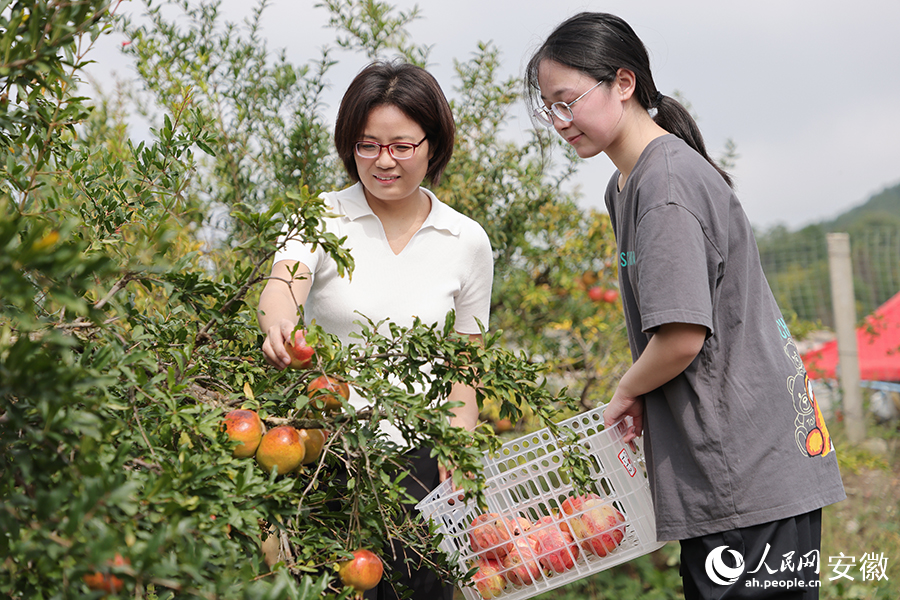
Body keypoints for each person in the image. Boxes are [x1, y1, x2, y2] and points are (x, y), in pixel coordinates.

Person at [526, 13, 845, 600]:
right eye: (550, 107)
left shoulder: (665, 184)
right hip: (734, 468)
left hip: (746, 471)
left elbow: (680, 337)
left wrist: (626, 391)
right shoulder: (627, 183)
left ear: (624, 83)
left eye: (567, 101)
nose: (559, 121)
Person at [258, 60, 493, 600]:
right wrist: (279, 327)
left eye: (402, 146)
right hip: (326, 446)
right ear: (349, 145)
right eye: (368, 146)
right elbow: (281, 287)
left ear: (432, 145)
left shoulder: (466, 240)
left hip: (417, 461)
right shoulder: (321, 217)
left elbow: (467, 363)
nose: (384, 161)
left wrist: (458, 454)